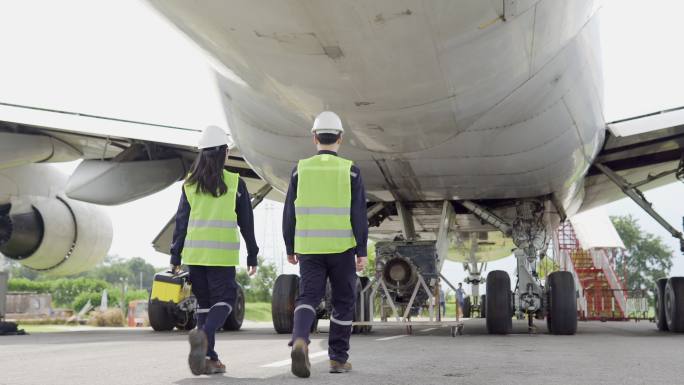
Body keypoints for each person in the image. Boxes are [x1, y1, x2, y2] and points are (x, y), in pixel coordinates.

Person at [283, 111, 368, 378]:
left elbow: (289, 212)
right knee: (343, 301)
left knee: (308, 297)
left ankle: (300, 339)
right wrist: (362, 250)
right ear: (341, 138)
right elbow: (358, 215)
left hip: (309, 247)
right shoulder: (350, 171)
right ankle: (337, 359)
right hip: (341, 248)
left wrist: (289, 246)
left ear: (314, 138)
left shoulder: (300, 169)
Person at [169, 125, 259, 376]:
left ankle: (209, 358)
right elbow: (246, 223)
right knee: (226, 302)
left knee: (205, 307)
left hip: (195, 256)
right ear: (224, 154)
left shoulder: (189, 185)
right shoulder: (234, 182)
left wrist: (175, 256)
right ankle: (203, 335)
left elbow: (181, 223)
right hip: (221, 255)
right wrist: (253, 253)